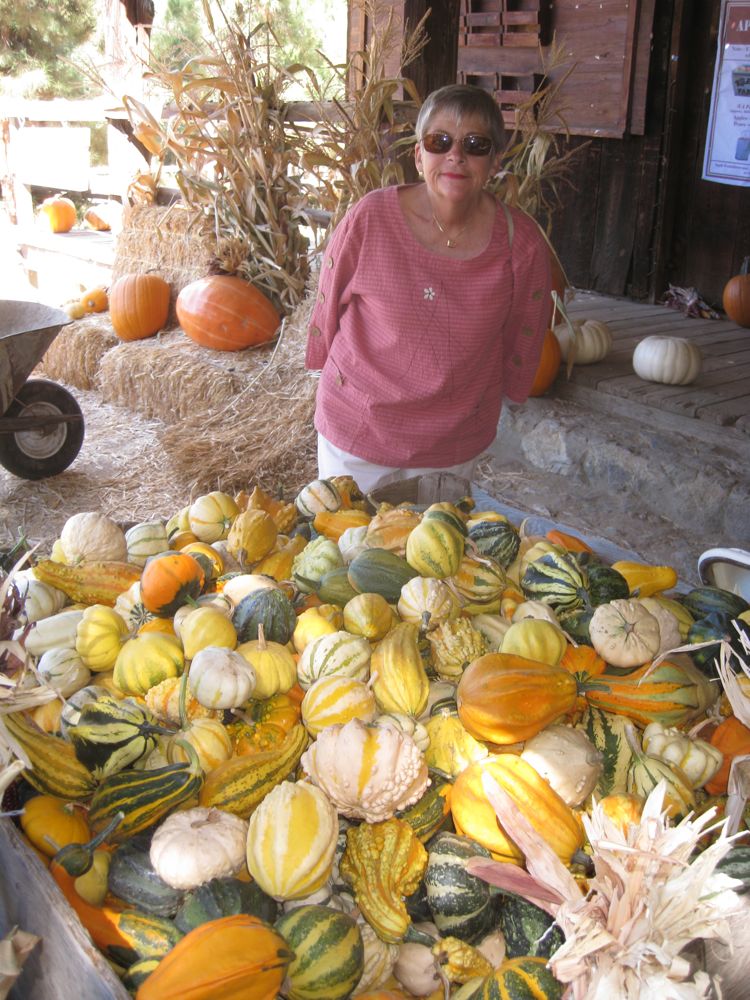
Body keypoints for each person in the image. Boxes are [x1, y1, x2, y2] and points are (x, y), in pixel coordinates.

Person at [305, 83, 552, 494]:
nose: (455, 155)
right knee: (347, 551)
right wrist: (318, 354)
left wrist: (512, 386)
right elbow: (330, 298)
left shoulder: (519, 244)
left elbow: (522, 332)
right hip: (359, 427)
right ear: (419, 155)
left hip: (453, 440)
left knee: (432, 553)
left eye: (475, 144)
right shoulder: (371, 219)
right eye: (440, 141)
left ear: (495, 161)